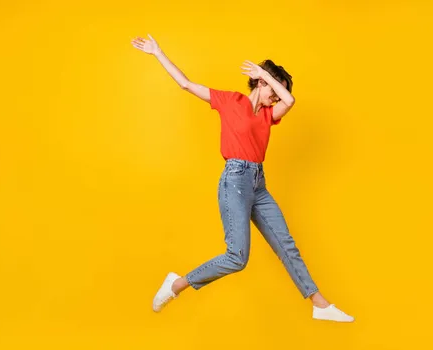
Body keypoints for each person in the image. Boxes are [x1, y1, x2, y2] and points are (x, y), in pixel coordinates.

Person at [131, 34, 354, 322]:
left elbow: (290, 99)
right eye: (271, 88)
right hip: (234, 181)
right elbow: (185, 84)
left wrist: (267, 76)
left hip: (258, 184)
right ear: (260, 83)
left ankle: (320, 304)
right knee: (237, 257)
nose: (275, 96)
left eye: (276, 90)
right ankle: (176, 284)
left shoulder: (270, 115)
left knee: (286, 244)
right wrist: (158, 52)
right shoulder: (229, 101)